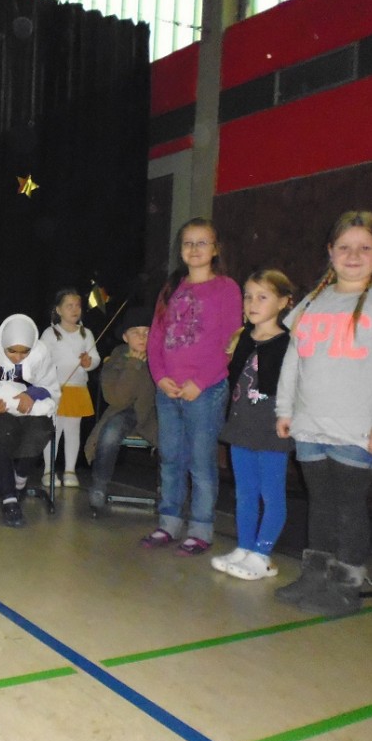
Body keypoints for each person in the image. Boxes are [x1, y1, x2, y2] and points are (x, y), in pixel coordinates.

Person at [274, 211, 372, 615]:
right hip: (310, 425)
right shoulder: (311, 302)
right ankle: (314, 576)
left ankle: (346, 585)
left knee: (348, 506)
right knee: (320, 503)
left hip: (356, 430)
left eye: (365, 248)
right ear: (330, 252)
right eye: (344, 247)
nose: (353, 255)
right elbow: (293, 362)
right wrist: (285, 408)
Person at [141, 217, 242, 555]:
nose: (195, 248)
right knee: (170, 457)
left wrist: (200, 381)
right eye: (188, 243)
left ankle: (200, 528)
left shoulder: (226, 288)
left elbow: (230, 343)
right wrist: (160, 377)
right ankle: (168, 521)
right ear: (180, 250)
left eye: (202, 242)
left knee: (200, 461)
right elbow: (155, 339)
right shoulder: (172, 288)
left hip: (205, 390)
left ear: (215, 249)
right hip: (168, 390)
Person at [212, 270, 295, 580]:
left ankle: (262, 554)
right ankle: (245, 547)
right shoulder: (243, 338)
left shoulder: (288, 343)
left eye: (263, 297)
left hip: (271, 427)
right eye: (248, 296)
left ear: (284, 302)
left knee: (271, 493)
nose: (252, 303)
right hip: (242, 424)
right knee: (245, 491)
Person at [0, 314, 60, 528]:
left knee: (39, 430)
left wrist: (31, 395)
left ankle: (20, 476)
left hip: (32, 410)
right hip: (1, 415)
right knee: (1, 431)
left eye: (24, 352)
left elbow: (51, 387)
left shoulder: (40, 354)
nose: (18, 357)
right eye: (12, 351)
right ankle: (9, 499)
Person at [83, 306, 157, 512]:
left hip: (153, 414)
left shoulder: (160, 357)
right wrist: (133, 365)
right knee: (110, 432)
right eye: (135, 332)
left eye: (147, 332)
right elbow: (117, 398)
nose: (141, 337)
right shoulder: (116, 358)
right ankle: (99, 486)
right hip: (122, 412)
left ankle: (168, 493)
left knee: (174, 438)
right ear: (125, 337)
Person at [39, 289, 100, 488]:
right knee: (54, 430)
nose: (75, 309)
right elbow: (40, 358)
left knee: (73, 430)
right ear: (58, 310)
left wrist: (88, 362)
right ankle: (49, 471)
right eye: (69, 306)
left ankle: (70, 470)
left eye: (78, 306)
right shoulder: (50, 333)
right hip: (56, 389)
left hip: (77, 388)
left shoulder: (86, 333)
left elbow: (95, 358)